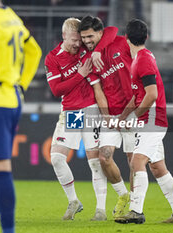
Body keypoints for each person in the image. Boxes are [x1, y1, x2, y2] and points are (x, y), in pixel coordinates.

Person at [0, 0, 42, 232]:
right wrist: (21, 83)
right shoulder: (11, 17)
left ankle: (8, 229)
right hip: (12, 98)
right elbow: (35, 51)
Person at [112, 19, 173, 224]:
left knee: (137, 161)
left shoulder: (143, 60)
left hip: (152, 120)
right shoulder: (141, 58)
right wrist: (122, 117)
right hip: (150, 118)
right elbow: (137, 95)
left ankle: (136, 212)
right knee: (158, 167)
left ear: (126, 38)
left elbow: (151, 94)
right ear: (147, 37)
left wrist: (135, 116)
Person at [45, 17, 118, 221]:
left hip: (91, 110)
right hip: (71, 112)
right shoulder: (52, 58)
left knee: (95, 162)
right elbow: (56, 89)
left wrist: (94, 51)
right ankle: (74, 201)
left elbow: (111, 30)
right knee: (57, 158)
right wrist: (79, 75)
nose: (78, 44)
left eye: (80, 40)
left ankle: (101, 210)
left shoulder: (86, 52)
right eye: (74, 40)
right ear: (63, 36)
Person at [79, 15, 134, 220]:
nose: (87, 41)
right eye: (83, 37)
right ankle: (123, 195)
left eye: (90, 36)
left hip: (133, 110)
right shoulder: (89, 58)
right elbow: (98, 91)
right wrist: (107, 116)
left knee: (133, 161)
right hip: (111, 114)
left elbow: (113, 28)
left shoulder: (121, 42)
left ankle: (135, 206)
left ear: (100, 33)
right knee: (104, 157)